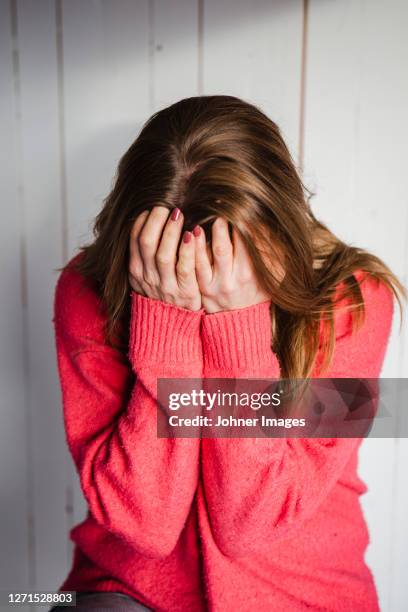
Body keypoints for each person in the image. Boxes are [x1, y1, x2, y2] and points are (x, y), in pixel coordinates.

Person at [50, 95, 405, 611]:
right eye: (175, 266)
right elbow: (143, 524)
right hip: (134, 584)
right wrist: (165, 326)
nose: (197, 280)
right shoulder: (90, 290)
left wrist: (236, 330)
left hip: (305, 586)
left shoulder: (353, 301)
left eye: (222, 263)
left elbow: (248, 526)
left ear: (280, 230)